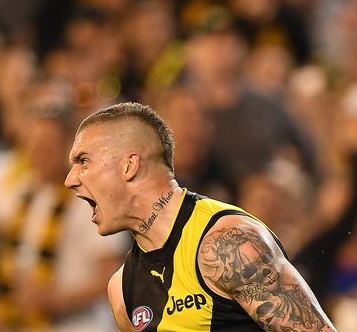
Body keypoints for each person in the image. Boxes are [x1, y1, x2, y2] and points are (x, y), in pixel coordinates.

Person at [64, 102, 337, 331]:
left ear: (129, 165)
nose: (70, 180)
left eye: (83, 161)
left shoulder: (229, 244)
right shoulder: (122, 291)